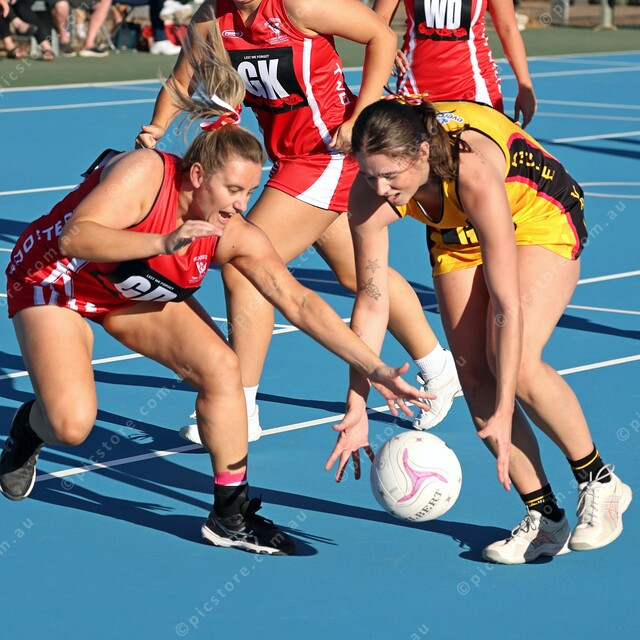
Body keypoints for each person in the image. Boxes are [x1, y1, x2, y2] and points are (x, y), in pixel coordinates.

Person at [0, 50, 431, 556]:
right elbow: (76, 237)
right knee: (71, 425)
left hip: (127, 291)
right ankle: (29, 428)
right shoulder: (146, 174)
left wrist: (374, 367)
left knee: (223, 367)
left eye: (250, 191)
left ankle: (230, 515)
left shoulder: (233, 232)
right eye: (233, 189)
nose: (241, 204)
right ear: (198, 176)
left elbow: (298, 301)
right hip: (57, 282)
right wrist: (162, 243)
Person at [137, 0, 461, 445]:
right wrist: (156, 128)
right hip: (290, 159)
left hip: (329, 156)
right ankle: (439, 367)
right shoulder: (213, 18)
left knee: (244, 265)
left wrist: (360, 114)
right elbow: (180, 82)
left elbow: (381, 35)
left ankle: (240, 406)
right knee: (358, 273)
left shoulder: (299, 6)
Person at [326, 95, 632, 564]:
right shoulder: (368, 196)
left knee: (515, 364)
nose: (381, 188)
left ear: (421, 153)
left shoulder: (471, 171)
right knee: (472, 376)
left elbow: (507, 305)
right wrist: (356, 404)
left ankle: (599, 481)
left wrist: (507, 406)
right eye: (369, 175)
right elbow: (370, 300)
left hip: (537, 214)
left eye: (390, 175)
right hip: (457, 230)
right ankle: (545, 518)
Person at [373, 0, 537, 127]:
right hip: (416, 87)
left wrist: (525, 85)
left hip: (474, 85)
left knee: (481, 154)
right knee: (415, 156)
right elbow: (378, 20)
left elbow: (508, 29)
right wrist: (388, 48)